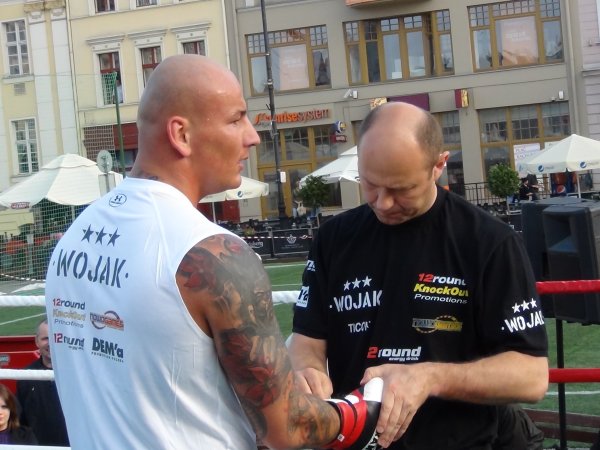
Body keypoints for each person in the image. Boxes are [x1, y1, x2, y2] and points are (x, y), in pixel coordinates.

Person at [44, 54, 383, 450]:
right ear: (181, 134)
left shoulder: (74, 238)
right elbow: (287, 427)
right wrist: (359, 411)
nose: (252, 136)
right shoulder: (213, 253)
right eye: (236, 119)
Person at [288, 101, 549, 450]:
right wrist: (307, 371)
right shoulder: (334, 239)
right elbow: (307, 340)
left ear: (439, 165)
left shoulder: (489, 242)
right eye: (370, 184)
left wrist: (429, 377)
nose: (383, 203)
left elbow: (531, 376)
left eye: (401, 189)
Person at [16, 318, 69, 446]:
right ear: (36, 341)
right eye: (45, 338)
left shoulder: (77, 374)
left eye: (55, 338)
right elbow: (20, 421)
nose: (50, 343)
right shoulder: (26, 376)